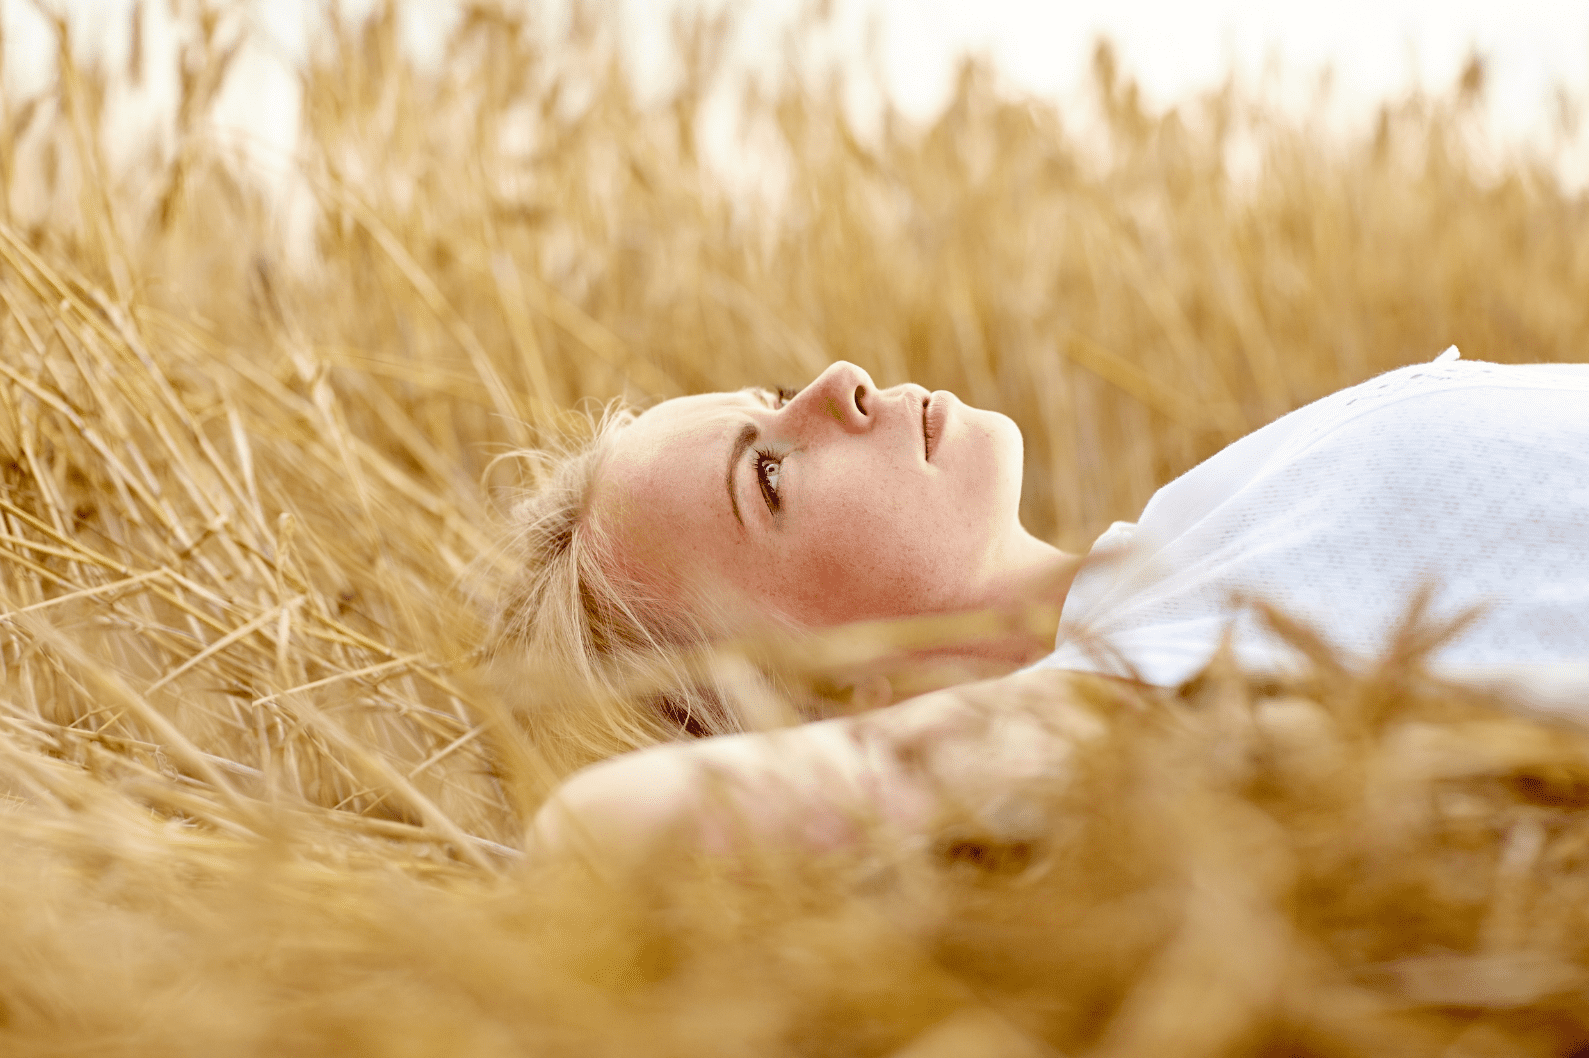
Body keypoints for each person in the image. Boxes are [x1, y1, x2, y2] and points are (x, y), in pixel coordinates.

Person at [510, 348, 1589, 859]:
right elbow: (592, 839)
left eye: (767, 396)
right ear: (803, 693)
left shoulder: (1199, 522)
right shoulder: (1116, 709)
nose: (837, 383)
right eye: (771, 475)